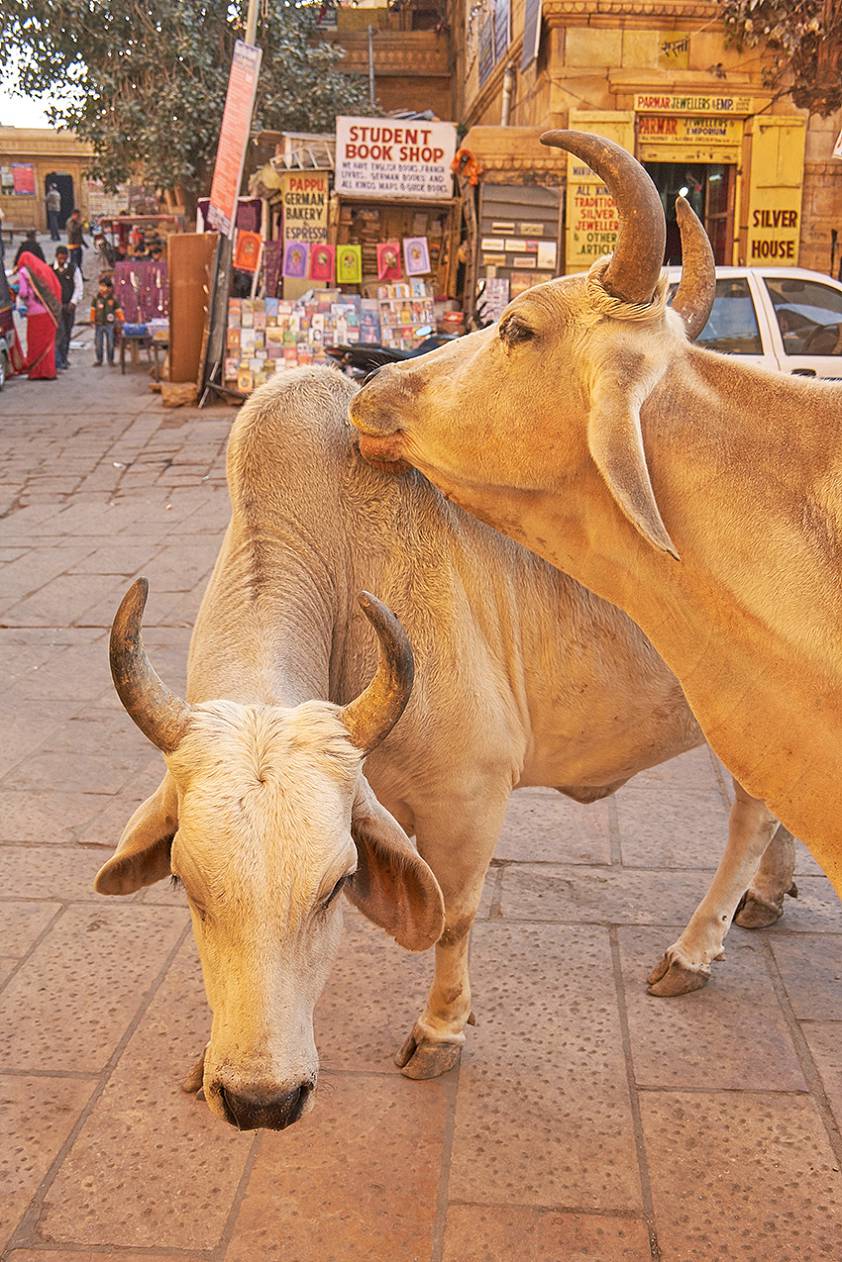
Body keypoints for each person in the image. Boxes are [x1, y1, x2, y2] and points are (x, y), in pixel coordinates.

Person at [14, 251, 61, 380]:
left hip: (34, 314)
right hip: (48, 312)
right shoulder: (43, 270)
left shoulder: (24, 272)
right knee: (47, 343)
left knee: (35, 343)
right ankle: (49, 371)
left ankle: (36, 372)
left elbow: (23, 292)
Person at [52, 245, 83, 370]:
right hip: (57, 307)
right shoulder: (50, 269)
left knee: (68, 332)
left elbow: (79, 286)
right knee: (60, 333)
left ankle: (64, 358)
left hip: (69, 306)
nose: (62, 260)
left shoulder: (73, 269)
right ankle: (59, 359)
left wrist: (74, 302)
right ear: (56, 256)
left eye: (64, 258)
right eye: (60, 258)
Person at [90, 277, 123, 366]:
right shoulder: (96, 299)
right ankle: (99, 360)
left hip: (110, 324)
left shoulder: (113, 299)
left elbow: (118, 310)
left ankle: (110, 360)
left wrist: (121, 319)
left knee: (110, 343)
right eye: (100, 286)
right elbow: (93, 310)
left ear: (109, 288)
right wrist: (92, 320)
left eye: (103, 286)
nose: (101, 288)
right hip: (99, 324)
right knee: (98, 343)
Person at [66, 209, 88, 274]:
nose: (79, 217)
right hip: (73, 246)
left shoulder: (77, 222)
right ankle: (73, 276)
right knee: (74, 263)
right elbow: (73, 230)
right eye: (78, 216)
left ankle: (80, 276)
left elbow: (79, 235)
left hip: (78, 246)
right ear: (74, 215)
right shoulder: (70, 222)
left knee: (79, 262)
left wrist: (84, 244)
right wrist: (81, 223)